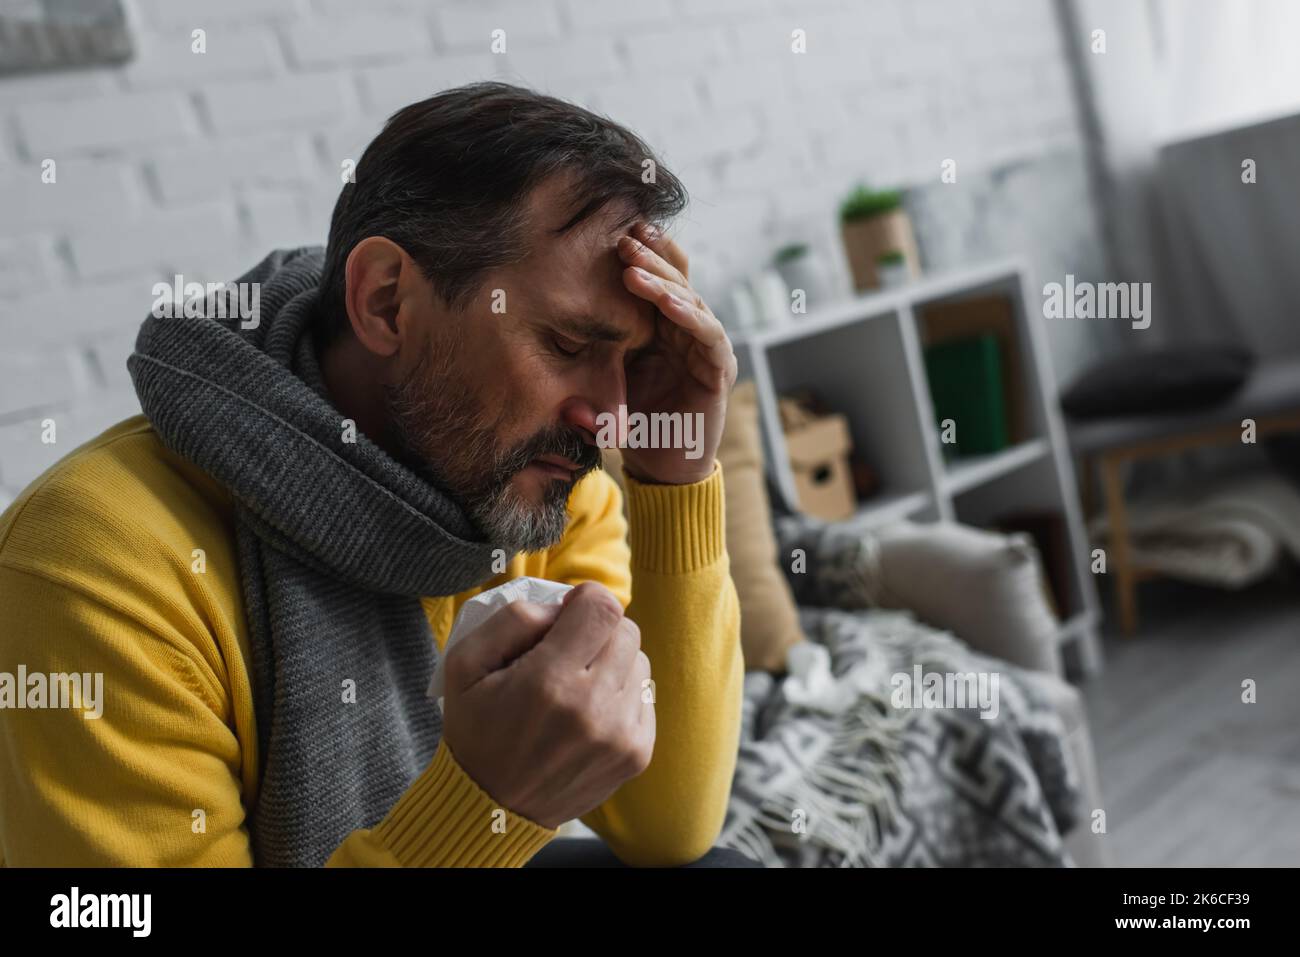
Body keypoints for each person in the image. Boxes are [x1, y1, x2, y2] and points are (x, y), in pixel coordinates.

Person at [0, 82, 756, 868]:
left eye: (628, 360)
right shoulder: (91, 565)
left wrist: (675, 477)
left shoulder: (547, 489)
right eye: (567, 346)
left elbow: (668, 827)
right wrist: (484, 804)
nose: (610, 417)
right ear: (388, 301)